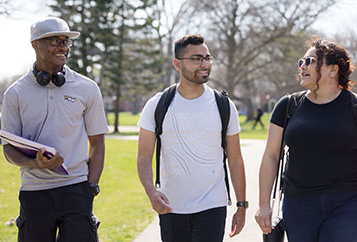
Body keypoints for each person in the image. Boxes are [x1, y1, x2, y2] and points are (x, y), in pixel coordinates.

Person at [1, 17, 108, 242]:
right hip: (34, 193)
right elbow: (9, 149)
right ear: (35, 44)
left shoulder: (87, 88)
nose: (63, 46)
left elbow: (98, 142)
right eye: (54, 41)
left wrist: (91, 188)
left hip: (77, 190)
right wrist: (36, 163)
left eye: (66, 41)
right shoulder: (15, 93)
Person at [137, 34, 247, 242]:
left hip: (212, 205)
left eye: (207, 58)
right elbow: (144, 156)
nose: (204, 64)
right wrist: (151, 191)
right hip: (171, 206)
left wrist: (241, 205)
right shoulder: (157, 105)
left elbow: (235, 159)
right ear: (177, 64)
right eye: (196, 59)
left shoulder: (224, 105)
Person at [255, 36, 357, 241]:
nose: (302, 66)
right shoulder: (288, 105)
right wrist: (263, 205)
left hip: (347, 202)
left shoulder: (353, 107)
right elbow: (271, 156)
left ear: (332, 69)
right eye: (301, 62)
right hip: (298, 204)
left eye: (309, 61)